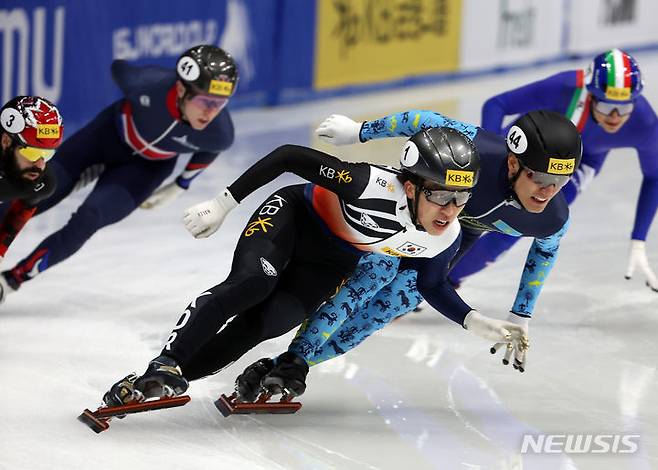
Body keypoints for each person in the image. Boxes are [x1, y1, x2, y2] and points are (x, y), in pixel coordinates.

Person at [101, 127, 527, 407]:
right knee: (252, 284)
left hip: (331, 259)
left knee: (273, 321)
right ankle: (166, 362)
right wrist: (222, 203)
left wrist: (472, 321)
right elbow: (288, 156)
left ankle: (164, 381)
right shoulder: (368, 184)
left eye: (462, 199)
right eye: (440, 197)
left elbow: (432, 284)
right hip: (291, 220)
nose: (450, 211)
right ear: (411, 186)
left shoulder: (443, 235)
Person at [237, 108, 581, 394]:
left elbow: (546, 251)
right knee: (375, 274)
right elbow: (422, 121)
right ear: (512, 164)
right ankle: (294, 359)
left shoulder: (553, 218)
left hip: (451, 233)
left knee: (396, 302)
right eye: (539, 178)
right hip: (410, 212)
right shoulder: (481, 150)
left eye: (561, 182)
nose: (548, 191)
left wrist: (521, 315)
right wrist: (360, 132)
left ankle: (291, 364)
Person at [0, 45, 237, 302]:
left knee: (87, 220)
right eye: (205, 101)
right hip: (104, 137)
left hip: (144, 169)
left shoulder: (220, 132)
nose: (211, 112)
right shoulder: (146, 83)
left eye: (220, 103)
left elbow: (212, 147)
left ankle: (11, 281)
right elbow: (118, 68)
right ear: (181, 89)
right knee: (34, 195)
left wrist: (182, 183)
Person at [450, 48, 657, 292]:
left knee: (515, 225)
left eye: (623, 109)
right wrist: (490, 154)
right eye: (605, 106)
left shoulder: (644, 122)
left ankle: (446, 280)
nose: (614, 117)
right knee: (464, 199)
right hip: (532, 144)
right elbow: (497, 104)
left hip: (582, 161)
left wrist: (638, 239)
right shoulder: (566, 88)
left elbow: (654, 176)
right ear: (590, 95)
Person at [0, 96, 62, 265]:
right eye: (32, 153)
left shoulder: (42, 183)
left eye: (47, 154)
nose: (40, 165)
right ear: (5, 141)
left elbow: (23, 208)